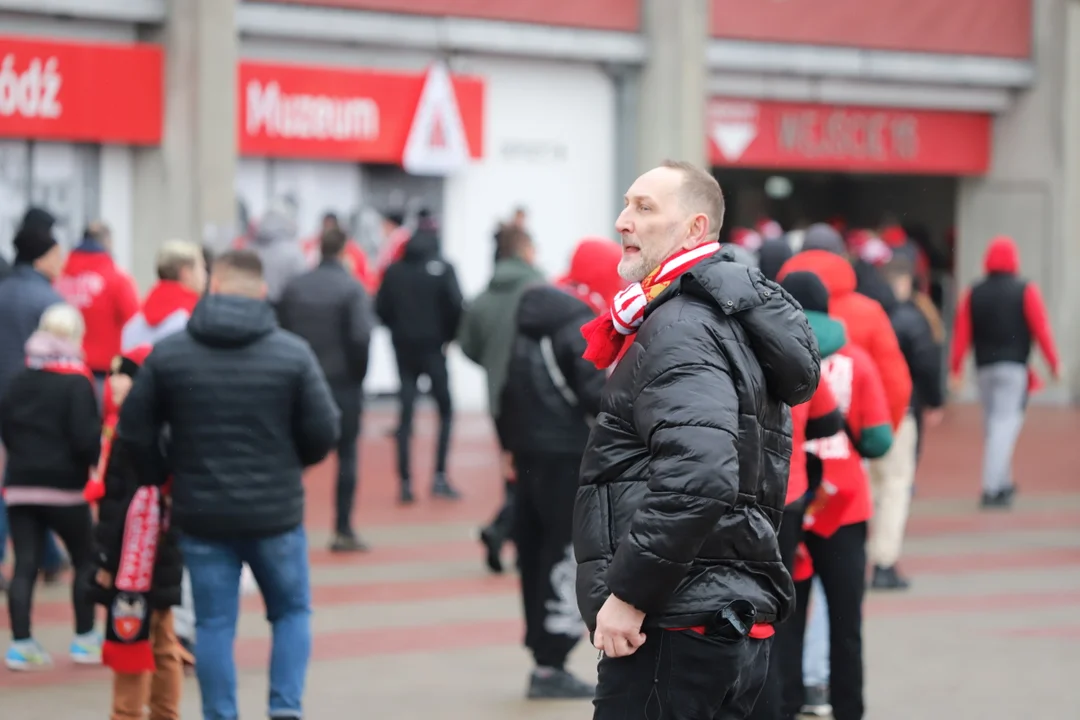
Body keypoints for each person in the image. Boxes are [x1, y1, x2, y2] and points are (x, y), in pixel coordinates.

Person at [573, 160, 820, 719]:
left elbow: (701, 475)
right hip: (715, 615)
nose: (622, 221)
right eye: (626, 204)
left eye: (644, 208)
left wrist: (630, 595)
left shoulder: (682, 324)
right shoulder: (707, 318)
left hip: (675, 627)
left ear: (694, 228)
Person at [118, 249, 339, 720]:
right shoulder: (292, 353)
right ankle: (285, 710)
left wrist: (160, 474)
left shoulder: (170, 355)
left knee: (215, 623)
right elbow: (324, 431)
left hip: (201, 513)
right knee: (291, 612)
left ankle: (220, 715)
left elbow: (133, 428)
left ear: (212, 286)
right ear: (261, 292)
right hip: (276, 513)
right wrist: (290, 466)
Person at [498, 237, 621, 698]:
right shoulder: (580, 322)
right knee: (567, 551)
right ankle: (553, 658)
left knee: (535, 552)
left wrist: (509, 445)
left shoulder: (533, 314)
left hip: (530, 452)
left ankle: (542, 653)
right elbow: (598, 395)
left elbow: (506, 388)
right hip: (570, 455)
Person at [779, 272, 894, 720]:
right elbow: (880, 441)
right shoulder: (858, 361)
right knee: (846, 625)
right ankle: (848, 709)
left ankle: (786, 704)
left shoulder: (776, 358)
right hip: (845, 506)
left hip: (791, 502)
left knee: (785, 621)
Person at [1, 304, 102, 669]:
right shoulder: (77, 381)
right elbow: (84, 438)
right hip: (66, 488)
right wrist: (94, 463)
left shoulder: (17, 379)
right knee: (85, 558)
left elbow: (7, 430)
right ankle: (86, 639)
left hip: (20, 485)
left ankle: (21, 644)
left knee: (25, 564)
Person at [89, 344, 186, 720]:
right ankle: (164, 712)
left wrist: (106, 559)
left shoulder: (134, 430)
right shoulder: (151, 423)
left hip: (139, 554)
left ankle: (127, 714)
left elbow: (118, 504)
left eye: (123, 373)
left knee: (131, 634)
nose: (112, 382)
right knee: (162, 638)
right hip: (159, 547)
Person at [279, 228, 374, 553]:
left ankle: (286, 523)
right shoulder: (352, 288)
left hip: (300, 383)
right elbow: (361, 337)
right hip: (342, 383)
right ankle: (343, 528)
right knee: (347, 455)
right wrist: (357, 377)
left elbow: (281, 331)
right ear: (345, 251)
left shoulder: (296, 287)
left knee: (293, 457)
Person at [457, 226, 545, 571]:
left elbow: (467, 345)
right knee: (535, 475)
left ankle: (510, 534)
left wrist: (493, 364)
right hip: (538, 398)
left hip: (499, 400)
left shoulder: (483, 296)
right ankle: (504, 531)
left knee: (515, 472)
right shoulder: (541, 288)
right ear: (525, 250)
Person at [949, 235, 1059, 508]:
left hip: (984, 368)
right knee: (1004, 426)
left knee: (993, 427)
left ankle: (1003, 483)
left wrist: (956, 369)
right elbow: (1041, 328)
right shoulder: (1025, 289)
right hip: (1014, 369)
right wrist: (1054, 364)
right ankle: (991, 488)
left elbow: (961, 333)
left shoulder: (974, 291)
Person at [778, 224, 912, 431]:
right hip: (850, 440)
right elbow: (895, 383)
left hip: (787, 438)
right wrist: (878, 434)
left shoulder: (773, 307)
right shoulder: (869, 311)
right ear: (843, 257)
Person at [0, 208, 70, 591]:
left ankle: (46, 556)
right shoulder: (49, 301)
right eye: (58, 256)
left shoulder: (3, 289)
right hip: (37, 403)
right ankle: (49, 557)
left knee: (11, 480)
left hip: (3, 394)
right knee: (32, 481)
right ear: (43, 258)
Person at [376, 215, 463, 504]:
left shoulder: (394, 271)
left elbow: (380, 308)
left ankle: (405, 483)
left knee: (405, 414)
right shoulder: (443, 269)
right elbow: (456, 307)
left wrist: (398, 331)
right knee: (446, 411)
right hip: (434, 350)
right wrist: (447, 337)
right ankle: (439, 477)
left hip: (404, 350)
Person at [870, 257, 945, 590]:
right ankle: (884, 561)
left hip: (864, 413)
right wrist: (934, 400)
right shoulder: (912, 319)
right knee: (896, 484)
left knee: (871, 485)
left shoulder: (865, 313)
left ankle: (859, 553)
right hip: (901, 411)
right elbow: (927, 363)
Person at [56, 221, 140, 389]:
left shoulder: (58, 274)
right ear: (107, 242)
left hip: (60, 368)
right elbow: (134, 321)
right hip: (101, 372)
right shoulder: (117, 278)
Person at [121, 240, 207, 352]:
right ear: (186, 273)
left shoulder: (132, 326)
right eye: (202, 268)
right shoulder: (195, 320)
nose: (205, 275)